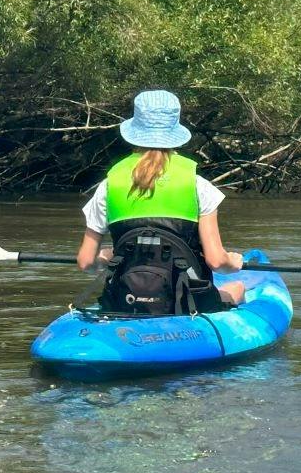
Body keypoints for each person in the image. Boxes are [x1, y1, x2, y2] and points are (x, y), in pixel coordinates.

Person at [76, 90, 247, 315]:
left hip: (126, 301)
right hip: (188, 304)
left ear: (134, 131)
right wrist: (233, 263)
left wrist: (105, 257)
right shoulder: (198, 185)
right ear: (175, 131)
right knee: (238, 287)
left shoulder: (109, 185)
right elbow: (216, 261)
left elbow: (85, 262)